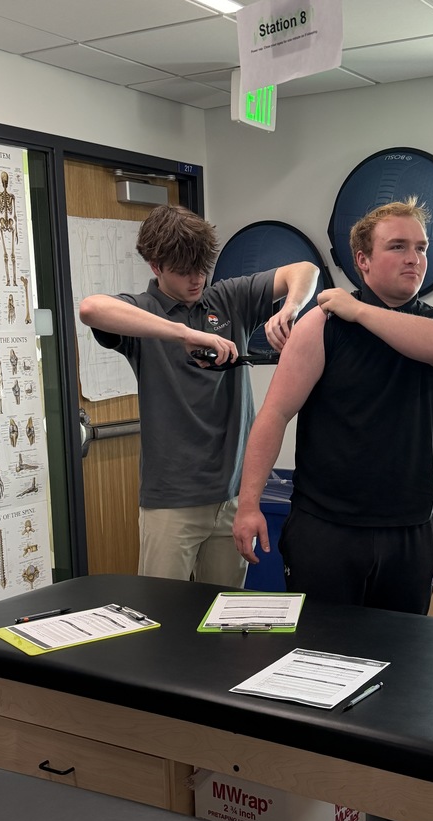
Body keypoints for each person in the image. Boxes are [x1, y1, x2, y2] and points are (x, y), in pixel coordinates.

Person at [232, 198, 433, 614]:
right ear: (362, 260)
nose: (414, 258)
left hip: (411, 529)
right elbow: (274, 414)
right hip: (328, 529)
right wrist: (249, 503)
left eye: (421, 247)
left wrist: (359, 310)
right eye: (397, 246)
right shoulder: (324, 325)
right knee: (321, 658)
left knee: (404, 659)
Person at [79, 204, 319, 586]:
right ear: (156, 266)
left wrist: (289, 309)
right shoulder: (143, 313)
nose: (197, 280)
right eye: (184, 271)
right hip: (170, 502)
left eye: (202, 269)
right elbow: (91, 309)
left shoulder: (228, 299)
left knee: (223, 621)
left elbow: (305, 271)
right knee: (163, 620)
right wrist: (184, 333)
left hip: (234, 497)